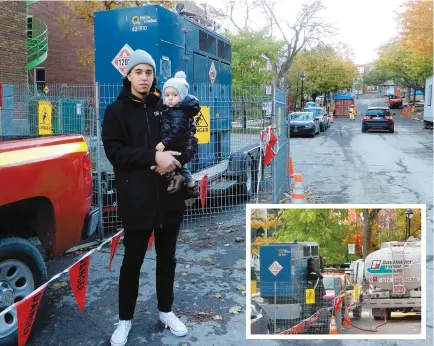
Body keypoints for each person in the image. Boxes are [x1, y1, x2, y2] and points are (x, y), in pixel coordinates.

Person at [101, 49, 191, 346]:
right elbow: (115, 153)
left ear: (154, 76)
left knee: (167, 260)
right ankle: (125, 320)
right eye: (138, 72)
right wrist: (153, 157)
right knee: (133, 262)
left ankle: (166, 311)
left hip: (169, 199)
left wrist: (177, 158)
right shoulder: (116, 112)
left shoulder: (163, 106)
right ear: (128, 75)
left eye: (149, 72)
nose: (144, 77)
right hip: (136, 200)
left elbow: (186, 138)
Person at [152, 71, 200, 197]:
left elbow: (177, 132)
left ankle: (176, 178)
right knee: (182, 167)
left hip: (176, 146)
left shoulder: (178, 113)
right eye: (167, 95)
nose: (170, 98)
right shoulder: (172, 110)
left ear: (182, 97)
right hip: (180, 146)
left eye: (174, 95)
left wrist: (164, 143)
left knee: (158, 164)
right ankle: (191, 184)